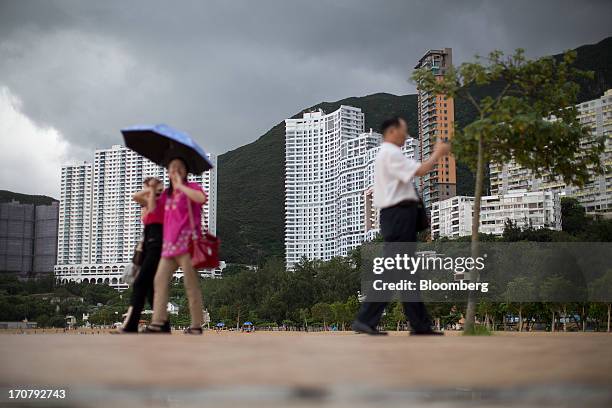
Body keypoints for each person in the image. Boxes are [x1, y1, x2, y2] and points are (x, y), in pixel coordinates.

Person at [352, 116, 451, 336]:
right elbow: (421, 170)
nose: (406, 136)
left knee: (406, 272)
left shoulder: (386, 154)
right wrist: (438, 152)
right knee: (394, 270)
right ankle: (366, 318)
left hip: (397, 216)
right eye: (403, 131)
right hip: (398, 216)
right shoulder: (390, 153)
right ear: (391, 131)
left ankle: (419, 324)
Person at [145, 158, 207, 334]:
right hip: (169, 247)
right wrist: (151, 191)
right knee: (159, 281)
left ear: (186, 172)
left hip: (188, 246)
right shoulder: (166, 195)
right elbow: (153, 213)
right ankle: (158, 321)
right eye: (172, 168)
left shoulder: (192, 187)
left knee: (191, 284)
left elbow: (201, 199)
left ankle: (196, 325)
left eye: (179, 168)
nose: (175, 171)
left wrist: (181, 186)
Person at [117, 177, 165, 333]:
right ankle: (164, 326)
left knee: (139, 285)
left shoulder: (162, 202)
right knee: (151, 292)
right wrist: (150, 189)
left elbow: (139, 199)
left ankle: (131, 326)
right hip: (149, 247)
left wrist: (152, 189)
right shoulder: (150, 202)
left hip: (156, 248)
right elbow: (136, 197)